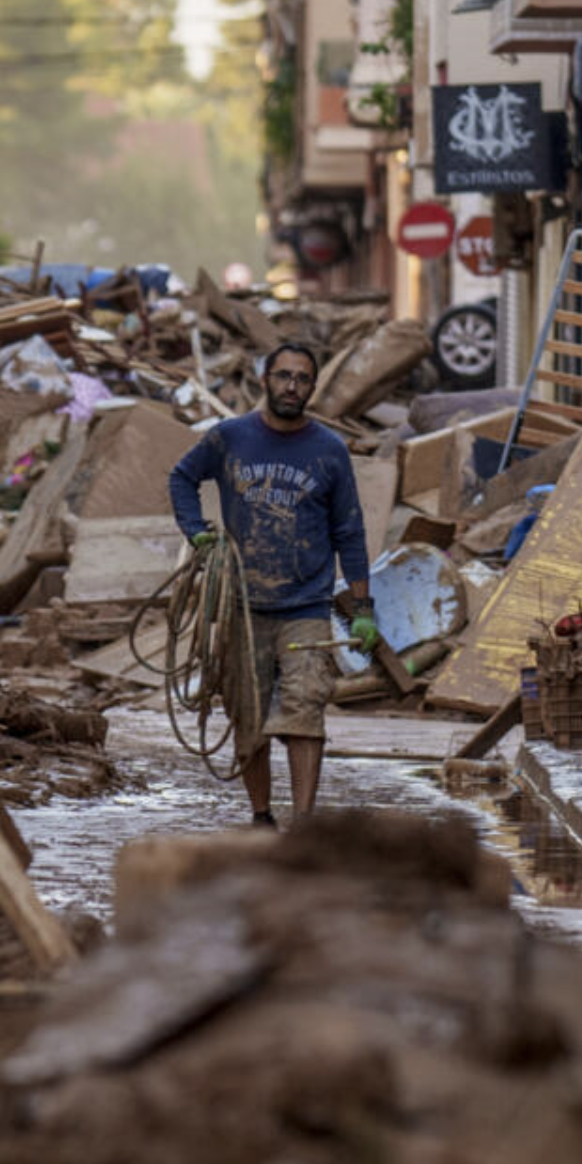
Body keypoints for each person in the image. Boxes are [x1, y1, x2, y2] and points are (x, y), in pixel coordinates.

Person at [168, 339, 376, 827]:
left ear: (313, 387)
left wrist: (363, 609)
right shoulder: (229, 438)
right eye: (283, 376)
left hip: (306, 606)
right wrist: (197, 532)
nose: (291, 386)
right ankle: (262, 816)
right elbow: (182, 477)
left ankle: (303, 823)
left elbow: (350, 528)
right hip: (243, 604)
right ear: (265, 379)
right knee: (248, 717)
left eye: (302, 379)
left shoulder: (329, 451)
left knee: (305, 711)